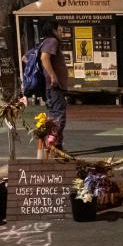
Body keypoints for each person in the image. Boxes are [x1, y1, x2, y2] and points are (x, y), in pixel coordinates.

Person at [38, 20, 69, 149]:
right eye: (60, 30)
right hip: (54, 86)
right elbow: (44, 57)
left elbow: (25, 57)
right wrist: (52, 75)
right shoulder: (52, 41)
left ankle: (56, 145)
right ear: (54, 30)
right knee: (59, 115)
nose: (62, 33)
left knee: (53, 116)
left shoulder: (44, 42)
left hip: (50, 86)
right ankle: (53, 143)